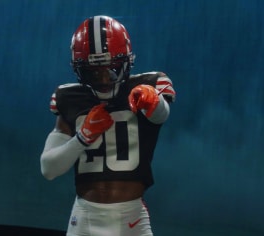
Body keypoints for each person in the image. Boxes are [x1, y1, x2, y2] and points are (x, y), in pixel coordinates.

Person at [40, 15, 176, 236]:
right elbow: (48, 169)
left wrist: (153, 100)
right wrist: (82, 137)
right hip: (85, 217)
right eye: (93, 72)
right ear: (78, 70)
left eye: (111, 70)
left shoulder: (148, 86)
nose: (103, 79)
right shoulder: (70, 98)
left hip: (131, 217)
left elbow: (160, 116)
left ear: (127, 63)